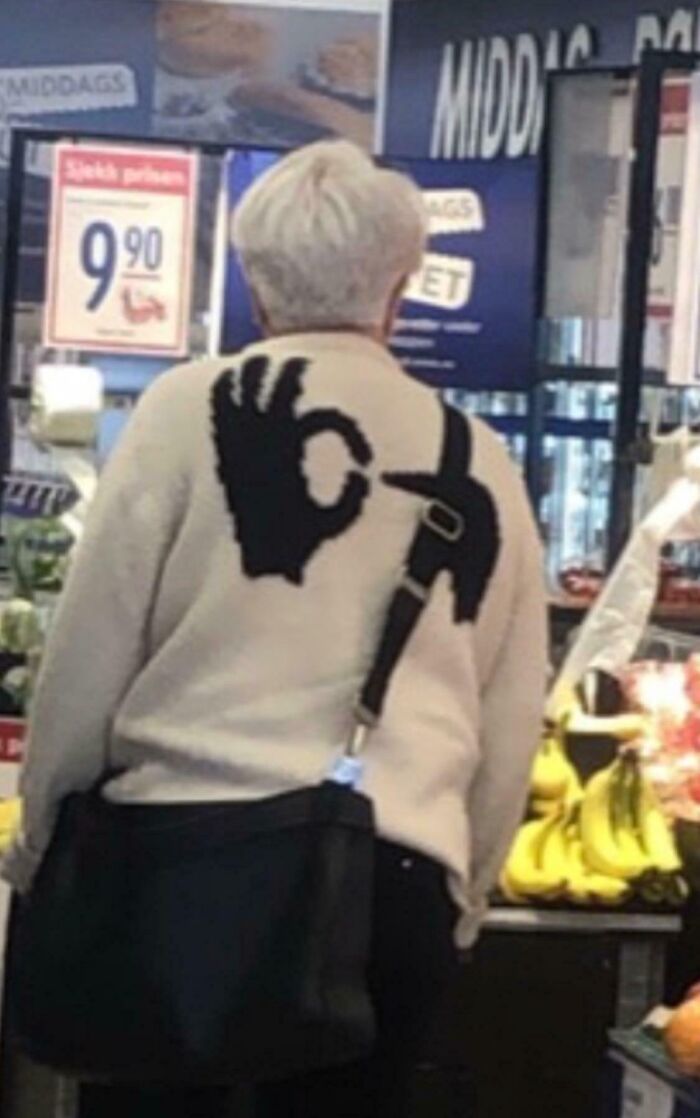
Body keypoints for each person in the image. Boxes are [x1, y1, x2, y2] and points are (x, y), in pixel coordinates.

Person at [2, 141, 547, 1118]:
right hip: (390, 879)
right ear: (402, 285)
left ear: (254, 284)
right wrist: (460, 902)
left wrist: (42, 845)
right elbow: (512, 715)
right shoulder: (479, 457)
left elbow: (88, 658)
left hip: (175, 866)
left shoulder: (184, 411)